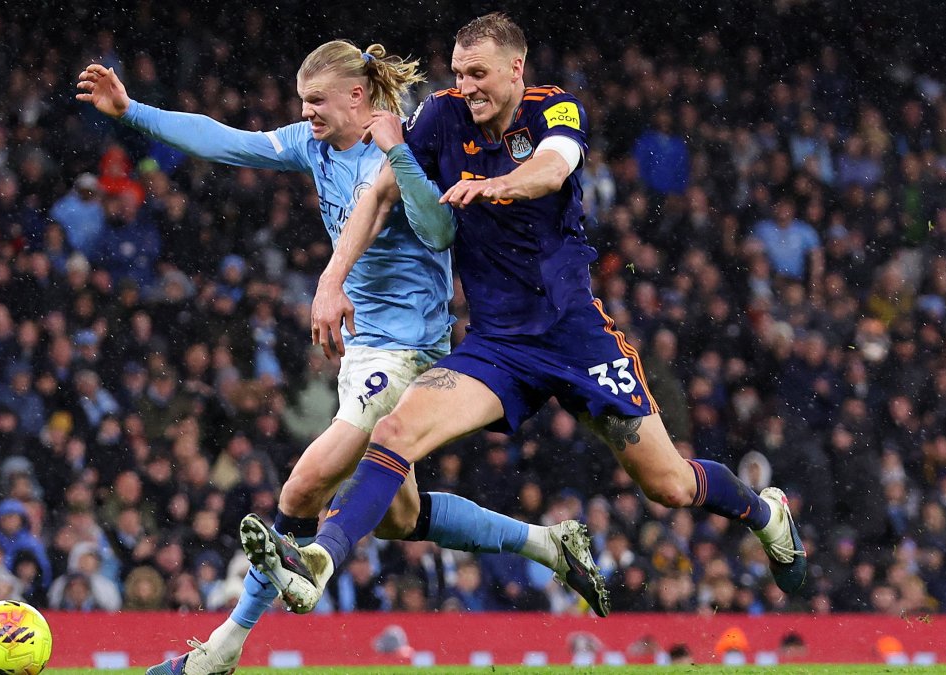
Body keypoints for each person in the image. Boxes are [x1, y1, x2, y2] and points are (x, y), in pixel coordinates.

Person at [243, 12, 807, 616]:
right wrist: (331, 280)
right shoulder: (440, 117)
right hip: (499, 346)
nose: (466, 87)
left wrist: (500, 185)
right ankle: (322, 557)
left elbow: (554, 167)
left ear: (516, 69)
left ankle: (764, 513)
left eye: (478, 74)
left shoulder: (554, 109)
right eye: (458, 73)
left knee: (668, 485)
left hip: (575, 337)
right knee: (394, 431)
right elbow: (379, 194)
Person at [77, 39, 607, 675]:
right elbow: (226, 141)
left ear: (357, 97)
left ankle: (222, 648)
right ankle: (548, 543)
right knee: (402, 517)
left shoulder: (409, 143)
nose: (306, 114)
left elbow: (442, 231)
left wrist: (399, 156)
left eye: (317, 102)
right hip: (363, 352)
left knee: (303, 487)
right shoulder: (313, 145)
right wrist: (132, 110)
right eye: (303, 102)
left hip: (409, 351)